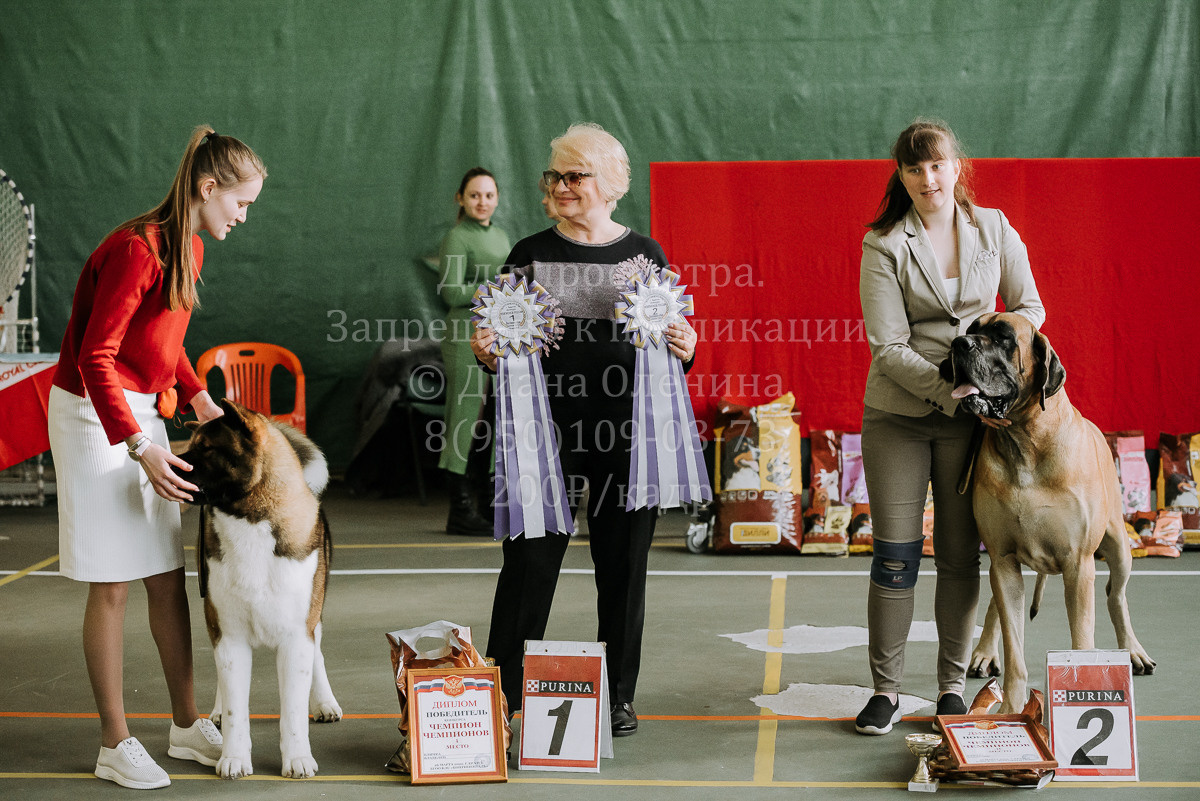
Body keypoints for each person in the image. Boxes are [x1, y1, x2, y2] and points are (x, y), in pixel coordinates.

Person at [48, 125, 266, 787]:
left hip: (138, 405)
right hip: (91, 412)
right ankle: (115, 741)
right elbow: (95, 356)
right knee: (112, 582)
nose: (244, 215)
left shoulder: (190, 245)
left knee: (165, 575)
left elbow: (164, 333)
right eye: (240, 202)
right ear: (207, 189)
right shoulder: (137, 249)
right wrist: (140, 445)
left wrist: (197, 396)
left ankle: (182, 723)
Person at [472, 123, 698, 737]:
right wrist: (488, 352)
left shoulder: (646, 255)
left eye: (576, 176)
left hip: (627, 438)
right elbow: (500, 343)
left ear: (611, 184)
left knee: (623, 570)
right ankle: (502, 695)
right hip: (542, 440)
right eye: (555, 176)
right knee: (527, 566)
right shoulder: (528, 253)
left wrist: (687, 344)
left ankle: (620, 695)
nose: (561, 186)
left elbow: (668, 344)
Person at [855, 119, 1045, 735]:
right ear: (902, 177)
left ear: (957, 166)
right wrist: (951, 392)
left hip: (977, 421)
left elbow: (1031, 310)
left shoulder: (994, 228)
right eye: (914, 169)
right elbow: (888, 347)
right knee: (895, 559)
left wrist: (987, 358)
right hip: (902, 416)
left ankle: (951, 688)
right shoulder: (884, 243)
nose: (927, 178)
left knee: (962, 558)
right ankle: (885, 691)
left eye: (936, 165)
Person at [436, 167, 511, 535]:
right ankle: (460, 510)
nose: (482, 202)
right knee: (465, 420)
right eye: (475, 195)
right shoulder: (456, 237)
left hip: (497, 340)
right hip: (465, 338)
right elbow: (451, 293)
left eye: (489, 195)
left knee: (492, 422)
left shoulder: (501, 235)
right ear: (461, 199)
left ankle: (486, 504)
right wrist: (496, 285)